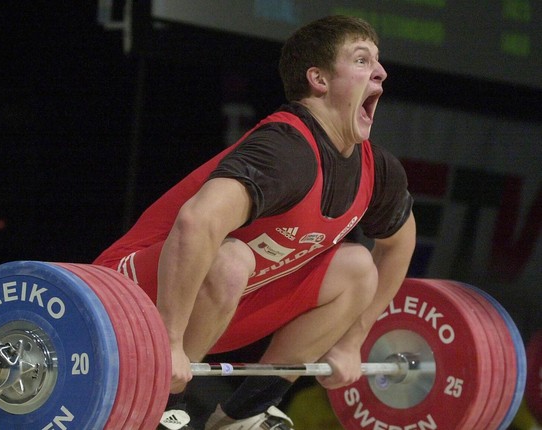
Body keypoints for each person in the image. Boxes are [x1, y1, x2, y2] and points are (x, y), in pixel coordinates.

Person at [94, 15, 416, 430]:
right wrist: (170, 343)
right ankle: (166, 401)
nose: (380, 71)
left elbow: (398, 245)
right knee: (231, 259)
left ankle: (243, 414)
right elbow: (195, 223)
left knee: (357, 269)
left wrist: (352, 341)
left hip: (220, 310)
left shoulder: (377, 171)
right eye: (361, 60)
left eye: (377, 60)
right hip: (130, 296)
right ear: (318, 79)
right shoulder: (285, 150)